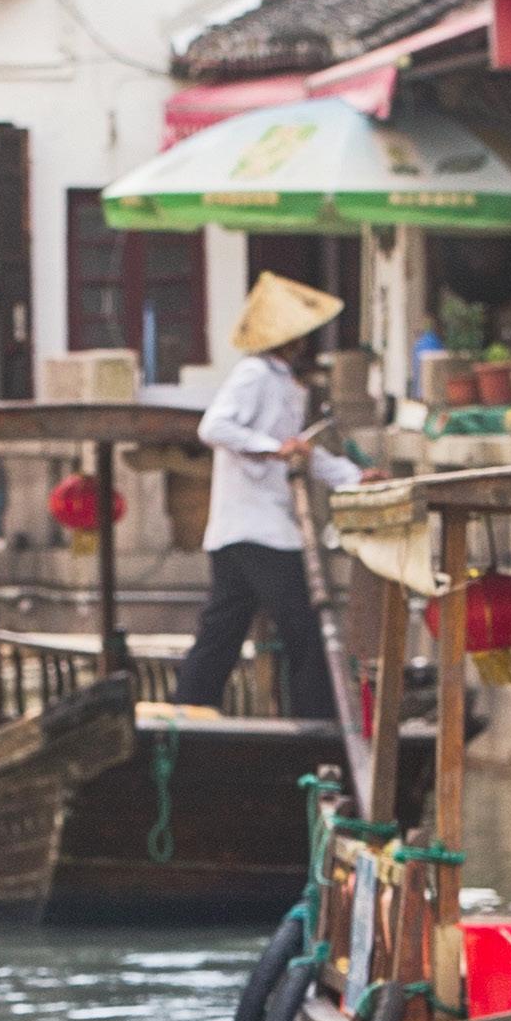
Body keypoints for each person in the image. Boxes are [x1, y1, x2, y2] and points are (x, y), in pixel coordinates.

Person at [174, 274, 364, 719]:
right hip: (259, 529)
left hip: (251, 527)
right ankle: (315, 721)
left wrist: (354, 477)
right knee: (304, 627)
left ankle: (186, 712)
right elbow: (214, 427)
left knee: (222, 630)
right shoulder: (254, 375)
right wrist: (271, 448)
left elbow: (302, 450)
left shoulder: (282, 383)